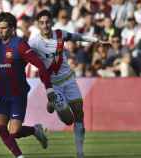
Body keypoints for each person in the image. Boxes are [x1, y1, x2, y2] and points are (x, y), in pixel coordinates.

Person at [0, 12, 58, 158]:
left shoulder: (20, 45)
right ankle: (19, 156)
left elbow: (40, 65)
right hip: (2, 94)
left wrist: (49, 88)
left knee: (14, 132)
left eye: (3, 28)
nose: (0, 31)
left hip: (18, 94)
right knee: (1, 128)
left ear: (12, 28)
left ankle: (35, 130)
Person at [28, 10, 109, 158]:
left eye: (47, 22)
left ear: (51, 22)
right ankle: (53, 102)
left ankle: (80, 153)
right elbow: (21, 54)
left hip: (69, 79)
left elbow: (77, 37)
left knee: (79, 113)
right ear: (38, 24)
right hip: (53, 85)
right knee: (68, 120)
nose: (45, 25)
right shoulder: (34, 42)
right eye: (42, 23)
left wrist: (95, 40)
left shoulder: (60, 34)